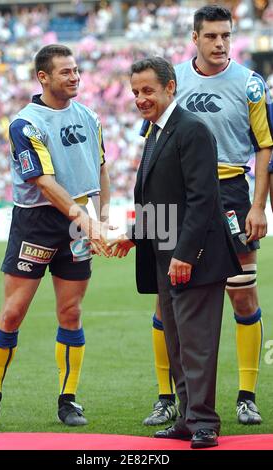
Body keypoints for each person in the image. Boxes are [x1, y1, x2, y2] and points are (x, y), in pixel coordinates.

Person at [145, 4, 273, 427]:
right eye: (211, 36)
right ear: (194, 38)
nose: (220, 44)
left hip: (231, 191)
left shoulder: (251, 84)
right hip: (175, 193)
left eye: (226, 36)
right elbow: (154, 140)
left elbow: (264, 146)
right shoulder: (171, 80)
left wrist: (258, 205)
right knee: (167, 301)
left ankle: (246, 395)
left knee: (242, 292)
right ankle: (167, 397)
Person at [0, 44, 111, 430]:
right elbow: (44, 183)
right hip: (37, 221)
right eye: (66, 71)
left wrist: (101, 216)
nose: (76, 77)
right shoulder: (24, 124)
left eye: (77, 70)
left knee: (71, 313)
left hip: (78, 222)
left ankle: (68, 400)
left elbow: (101, 168)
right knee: (13, 312)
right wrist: (86, 220)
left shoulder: (90, 116)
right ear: (43, 78)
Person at [111, 56, 241, 449]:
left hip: (193, 258)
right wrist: (135, 235)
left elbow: (203, 199)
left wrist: (186, 253)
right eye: (135, 92)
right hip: (166, 255)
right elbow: (161, 198)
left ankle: (204, 422)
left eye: (148, 90)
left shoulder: (193, 129)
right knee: (178, 342)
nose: (140, 98)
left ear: (171, 87)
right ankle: (188, 417)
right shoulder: (155, 132)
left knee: (197, 343)